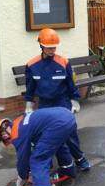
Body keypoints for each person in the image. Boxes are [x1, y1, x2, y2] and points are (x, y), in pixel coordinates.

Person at [0, 108, 79, 186]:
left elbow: (23, 158)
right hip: (67, 116)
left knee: (37, 161)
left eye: (6, 140)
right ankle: (69, 171)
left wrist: (24, 176)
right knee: (58, 145)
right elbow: (41, 144)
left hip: (58, 123)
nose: (10, 142)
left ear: (3, 135)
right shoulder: (20, 122)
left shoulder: (16, 133)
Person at [24, 28, 90, 173]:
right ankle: (45, 165)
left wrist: (75, 100)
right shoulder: (31, 66)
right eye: (49, 47)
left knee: (69, 132)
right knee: (43, 135)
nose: (52, 50)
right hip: (44, 104)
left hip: (62, 102)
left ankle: (80, 159)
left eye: (54, 47)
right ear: (41, 46)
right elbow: (30, 88)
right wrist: (29, 105)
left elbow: (70, 84)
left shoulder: (63, 63)